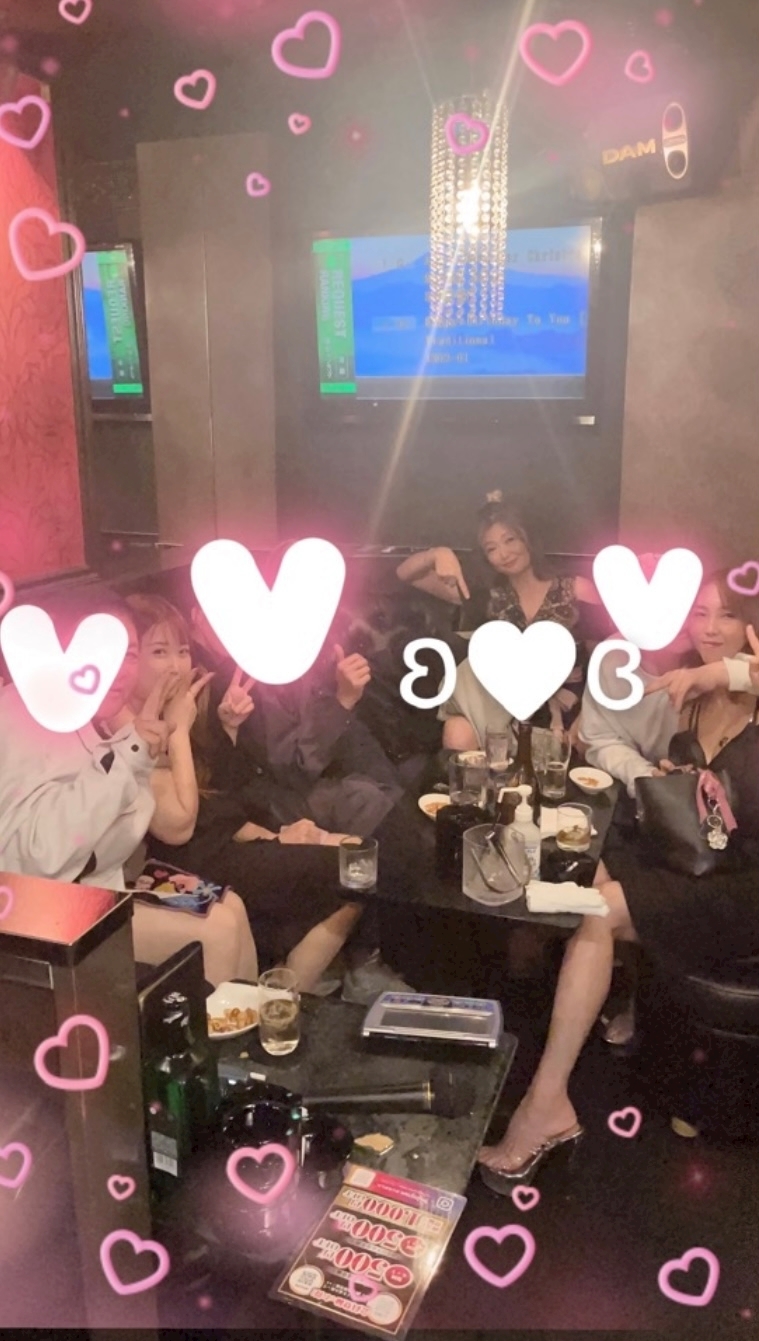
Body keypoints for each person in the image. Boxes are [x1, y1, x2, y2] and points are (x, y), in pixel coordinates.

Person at [477, 573, 759, 1191]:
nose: (711, 628)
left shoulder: (735, 688)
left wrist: (725, 674)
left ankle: (546, 1106)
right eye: (700, 613)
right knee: (590, 865)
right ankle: (599, 994)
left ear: (751, 626)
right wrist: (676, 775)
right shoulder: (690, 692)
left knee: (598, 909)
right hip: (706, 861)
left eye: (728, 615)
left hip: (747, 885)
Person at [123, 593, 414, 1002]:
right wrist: (179, 733)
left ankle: (305, 984)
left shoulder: (190, 702)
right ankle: (285, 999)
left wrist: (228, 729)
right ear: (128, 660)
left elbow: (224, 796)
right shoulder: (138, 726)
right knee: (352, 868)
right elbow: (182, 826)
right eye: (159, 652)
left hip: (235, 836)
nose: (176, 664)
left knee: (363, 859)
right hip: (194, 860)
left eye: (182, 651)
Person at [0, 590, 258, 988]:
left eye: (129, 654)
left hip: (102, 889)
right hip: (40, 915)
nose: (120, 671)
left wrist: (139, 747)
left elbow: (122, 828)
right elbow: (40, 856)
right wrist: (132, 752)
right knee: (217, 932)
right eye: (104, 652)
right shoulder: (20, 717)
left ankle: (250, 1024)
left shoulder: (88, 717)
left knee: (232, 909)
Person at [179, 586, 404, 837]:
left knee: (384, 780)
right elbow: (291, 770)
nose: (235, 626)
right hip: (261, 799)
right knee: (365, 798)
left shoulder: (267, 661)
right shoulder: (209, 677)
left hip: (294, 777)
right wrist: (342, 702)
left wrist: (342, 699)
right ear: (197, 616)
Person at [399, 492, 611, 732]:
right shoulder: (487, 597)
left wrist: (586, 719)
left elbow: (603, 659)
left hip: (569, 714)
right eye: (491, 548)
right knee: (456, 732)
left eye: (510, 540)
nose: (504, 554)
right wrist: (437, 554)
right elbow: (405, 574)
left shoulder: (576, 589)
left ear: (528, 537)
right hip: (502, 711)